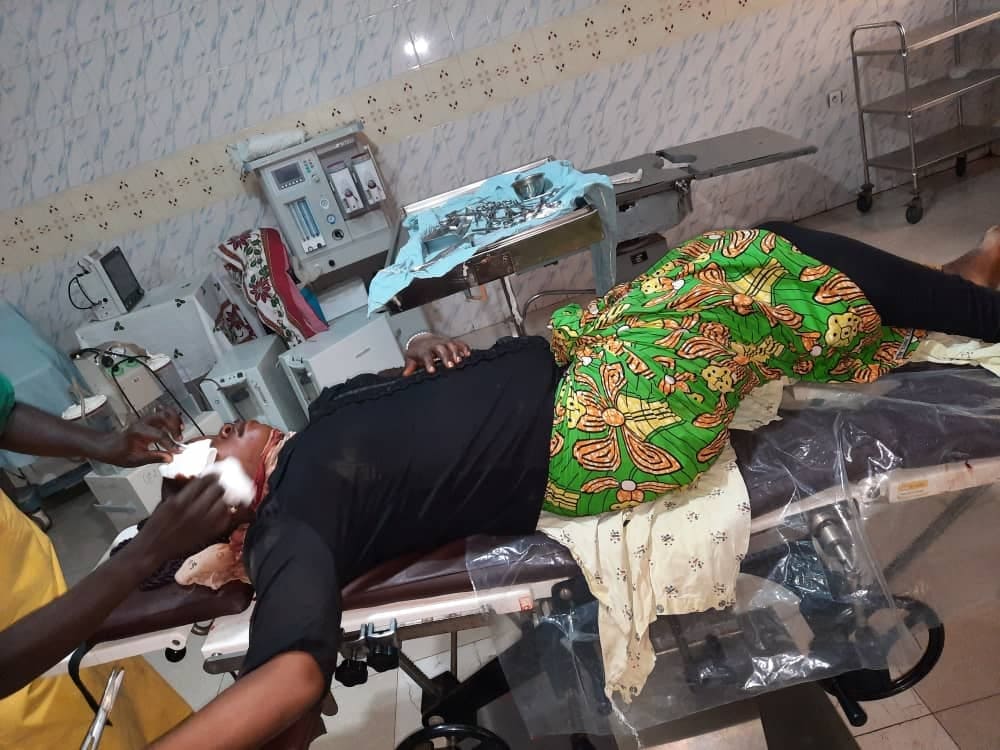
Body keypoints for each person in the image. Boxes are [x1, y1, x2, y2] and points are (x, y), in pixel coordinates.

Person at [150, 222, 1000, 748]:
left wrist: (420, 354)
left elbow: (400, 396)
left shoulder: (316, 423)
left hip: (572, 356)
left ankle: (954, 286)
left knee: (767, 289)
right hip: (590, 431)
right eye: (208, 451)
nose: (218, 431)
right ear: (227, 509)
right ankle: (977, 304)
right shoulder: (291, 520)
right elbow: (292, 677)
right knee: (752, 260)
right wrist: (160, 551)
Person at [0, 375, 237, 749]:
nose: (226, 431)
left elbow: (2, 413)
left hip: (58, 623)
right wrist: (144, 554)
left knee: (134, 718)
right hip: (16, 713)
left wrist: (103, 444)